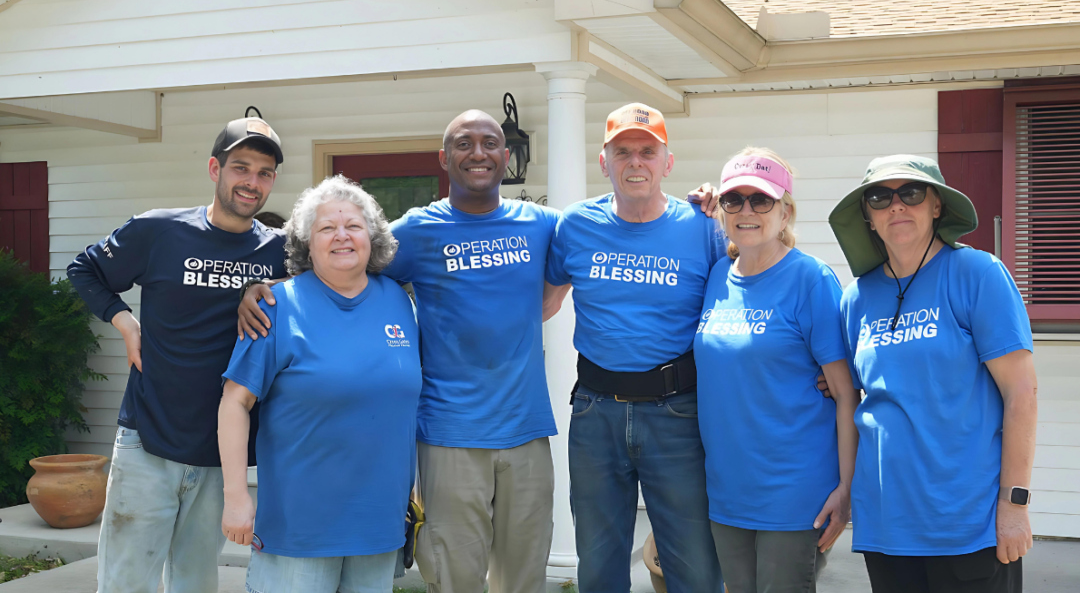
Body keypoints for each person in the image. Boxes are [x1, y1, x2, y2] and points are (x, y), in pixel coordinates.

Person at [239, 110, 567, 593]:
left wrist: (707, 212)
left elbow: (574, 268)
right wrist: (264, 286)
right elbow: (342, 254)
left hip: (527, 429)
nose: (478, 153)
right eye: (463, 143)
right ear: (443, 158)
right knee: (455, 578)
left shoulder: (542, 225)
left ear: (505, 155)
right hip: (448, 431)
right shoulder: (416, 231)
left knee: (525, 578)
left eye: (489, 142)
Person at [66, 114, 287, 593]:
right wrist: (124, 322)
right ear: (215, 168)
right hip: (148, 439)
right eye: (241, 168)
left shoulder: (281, 254)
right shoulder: (158, 230)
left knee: (195, 582)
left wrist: (265, 286)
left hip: (219, 452)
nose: (252, 182)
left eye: (264, 173)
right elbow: (84, 269)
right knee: (127, 583)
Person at [829, 155, 1037, 593]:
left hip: (968, 525)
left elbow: (1022, 393)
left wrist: (1014, 504)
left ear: (937, 205)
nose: (896, 206)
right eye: (880, 197)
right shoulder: (856, 298)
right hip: (886, 525)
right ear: (867, 215)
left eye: (912, 193)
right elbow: (850, 395)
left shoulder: (977, 274)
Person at [545, 103, 725, 592]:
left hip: (677, 413)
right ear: (604, 162)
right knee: (599, 567)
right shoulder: (575, 225)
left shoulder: (704, 227)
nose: (635, 162)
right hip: (594, 412)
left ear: (668, 161)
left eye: (648, 151)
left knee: (693, 566)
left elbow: (749, 295)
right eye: (622, 151)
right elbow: (542, 305)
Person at [219, 176, 421, 593]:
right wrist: (236, 496)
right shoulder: (276, 307)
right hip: (299, 528)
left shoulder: (400, 302)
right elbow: (234, 403)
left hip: (378, 524)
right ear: (306, 243)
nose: (342, 236)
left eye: (353, 226)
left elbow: (402, 405)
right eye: (327, 228)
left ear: (373, 237)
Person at [694, 149, 859, 593]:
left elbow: (845, 393)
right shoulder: (715, 278)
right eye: (735, 200)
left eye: (761, 200)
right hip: (727, 492)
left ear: (785, 212)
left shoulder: (810, 279)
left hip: (794, 493)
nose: (746, 211)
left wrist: (846, 489)